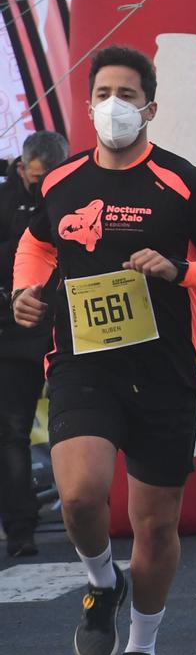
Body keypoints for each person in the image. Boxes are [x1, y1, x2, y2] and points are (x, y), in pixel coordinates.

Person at [12, 46, 196, 655]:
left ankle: (141, 654)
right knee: (79, 494)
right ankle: (100, 580)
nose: (114, 105)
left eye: (128, 93)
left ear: (150, 107)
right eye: (103, 92)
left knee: (154, 529)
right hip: (82, 365)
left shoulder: (180, 182)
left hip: (164, 375)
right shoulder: (61, 181)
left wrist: (182, 272)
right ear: (88, 101)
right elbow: (37, 243)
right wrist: (27, 289)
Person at [0, 131, 65, 557]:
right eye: (37, 178)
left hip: (67, 325)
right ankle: (20, 528)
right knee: (12, 431)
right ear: (22, 169)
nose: (43, 187)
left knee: (80, 426)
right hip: (13, 331)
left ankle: (92, 510)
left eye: (50, 178)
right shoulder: (5, 203)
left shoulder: (75, 191)